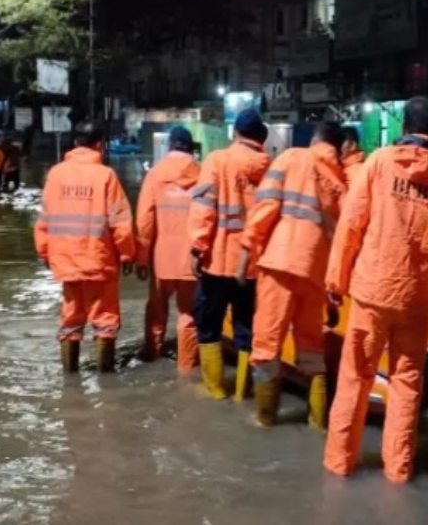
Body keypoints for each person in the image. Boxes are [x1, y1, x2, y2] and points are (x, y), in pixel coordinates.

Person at [323, 96, 428, 484]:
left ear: (404, 124)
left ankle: (340, 466)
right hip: (417, 301)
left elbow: (351, 225)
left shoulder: (379, 164)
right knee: (406, 387)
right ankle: (398, 473)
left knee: (354, 379)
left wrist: (335, 282)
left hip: (371, 292)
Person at [237, 121, 347, 430]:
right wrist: (334, 292)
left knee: (267, 344)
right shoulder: (340, 182)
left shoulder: (291, 158)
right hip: (315, 272)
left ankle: (265, 417)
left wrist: (247, 248)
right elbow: (342, 240)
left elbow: (266, 205)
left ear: (315, 138)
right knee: (312, 348)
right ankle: (317, 422)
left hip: (281, 262)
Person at [34, 121, 136, 373]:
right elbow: (120, 222)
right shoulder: (106, 176)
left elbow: (44, 219)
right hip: (98, 259)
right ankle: (106, 381)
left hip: (66, 259)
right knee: (105, 319)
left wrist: (44, 251)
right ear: (99, 144)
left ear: (75, 143)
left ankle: (70, 379)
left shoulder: (56, 174)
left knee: (71, 316)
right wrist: (127, 254)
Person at [188, 108, 271, 401]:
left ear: (235, 132)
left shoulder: (218, 161)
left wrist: (197, 248)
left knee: (208, 325)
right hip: (252, 265)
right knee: (246, 328)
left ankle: (215, 391)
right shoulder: (269, 168)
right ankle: (241, 394)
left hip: (218, 261)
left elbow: (203, 208)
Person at [136, 126, 202, 373]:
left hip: (161, 257)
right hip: (192, 259)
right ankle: (186, 368)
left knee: (156, 307)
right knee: (188, 313)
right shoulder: (203, 174)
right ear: (190, 147)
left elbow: (144, 221)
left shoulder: (156, 174)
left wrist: (141, 258)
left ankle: (152, 353)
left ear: (170, 146)